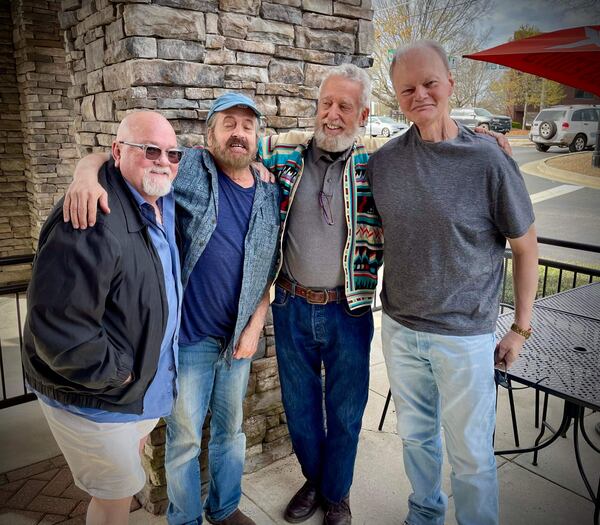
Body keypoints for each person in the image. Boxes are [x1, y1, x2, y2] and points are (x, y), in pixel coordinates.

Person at [65, 71, 509, 525]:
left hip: (346, 310)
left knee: (342, 413)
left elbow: (425, 141)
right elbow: (144, 157)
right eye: (326, 104)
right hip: (274, 311)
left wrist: (479, 138)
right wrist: (87, 170)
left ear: (364, 114)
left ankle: (334, 495)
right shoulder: (264, 157)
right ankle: (301, 485)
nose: (333, 115)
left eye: (345, 107)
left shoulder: (369, 161)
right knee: (286, 414)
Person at [62, 93, 280, 525]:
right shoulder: (190, 169)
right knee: (183, 441)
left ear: (258, 137)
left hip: (238, 339)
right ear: (209, 134)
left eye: (248, 126)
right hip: (188, 340)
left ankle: (225, 508)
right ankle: (184, 518)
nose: (239, 133)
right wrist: (84, 175)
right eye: (228, 124)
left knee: (230, 434)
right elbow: (113, 161)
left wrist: (256, 325)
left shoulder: (270, 191)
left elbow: (267, 267)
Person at [367, 41, 539, 525]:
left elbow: (526, 249)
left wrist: (520, 330)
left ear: (450, 86)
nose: (419, 94)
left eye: (429, 83)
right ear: (396, 98)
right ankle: (423, 514)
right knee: (417, 440)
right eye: (407, 89)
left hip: (465, 337)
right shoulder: (384, 162)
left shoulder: (488, 159)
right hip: (401, 331)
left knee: (471, 456)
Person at [22, 111, 183, 525]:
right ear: (117, 152)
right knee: (115, 499)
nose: (163, 160)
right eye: (149, 150)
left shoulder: (158, 198)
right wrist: (120, 373)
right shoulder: (89, 216)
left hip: (137, 391)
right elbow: (60, 328)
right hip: (100, 397)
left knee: (121, 483)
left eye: (172, 153)